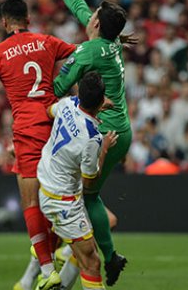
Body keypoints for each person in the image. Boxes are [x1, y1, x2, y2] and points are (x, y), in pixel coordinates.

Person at [0, 0, 76, 290]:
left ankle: (48, 267)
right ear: (27, 18)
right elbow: (81, 55)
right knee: (61, 192)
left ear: (3, 22)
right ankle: (57, 246)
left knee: (31, 201)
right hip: (57, 124)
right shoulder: (48, 41)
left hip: (28, 130)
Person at [30, 0, 130, 285]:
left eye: (95, 15)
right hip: (120, 125)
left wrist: (33, 82)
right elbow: (76, 4)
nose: (90, 14)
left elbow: (57, 87)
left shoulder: (88, 51)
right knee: (85, 198)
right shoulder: (108, 41)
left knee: (86, 196)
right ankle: (73, 253)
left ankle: (99, 254)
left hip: (103, 129)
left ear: (98, 24)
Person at [38, 72, 118, 290]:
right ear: (101, 100)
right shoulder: (92, 138)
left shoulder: (67, 104)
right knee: (92, 262)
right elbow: (90, 182)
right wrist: (104, 148)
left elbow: (49, 111)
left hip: (47, 185)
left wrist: (94, 107)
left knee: (86, 250)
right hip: (63, 202)